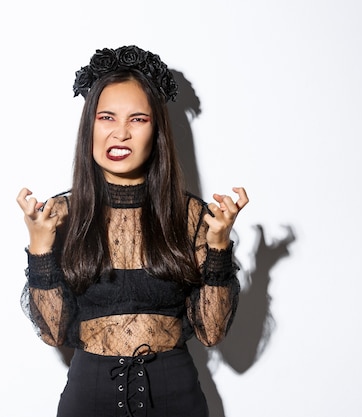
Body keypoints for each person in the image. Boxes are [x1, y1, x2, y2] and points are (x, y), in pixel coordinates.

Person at [16, 45, 248, 417]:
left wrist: (218, 245)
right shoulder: (60, 214)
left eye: (137, 119)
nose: (120, 133)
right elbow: (53, 334)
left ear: (156, 131)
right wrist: (40, 248)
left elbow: (212, 333)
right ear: (89, 125)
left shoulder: (191, 215)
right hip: (87, 401)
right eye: (106, 117)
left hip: (177, 399)